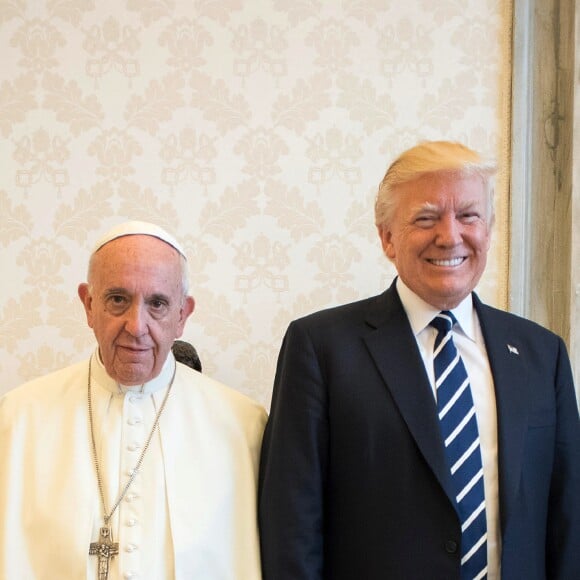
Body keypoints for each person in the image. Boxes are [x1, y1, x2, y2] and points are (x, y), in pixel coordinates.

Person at [258, 141, 580, 580]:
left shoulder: (543, 354)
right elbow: (290, 526)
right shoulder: (320, 348)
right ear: (387, 238)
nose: (450, 236)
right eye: (426, 218)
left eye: (468, 215)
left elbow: (568, 519)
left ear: (488, 229)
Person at [0, 220, 267, 580]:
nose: (136, 326)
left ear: (182, 315)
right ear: (89, 304)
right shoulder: (17, 419)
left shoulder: (243, 426)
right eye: (117, 300)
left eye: (157, 303)